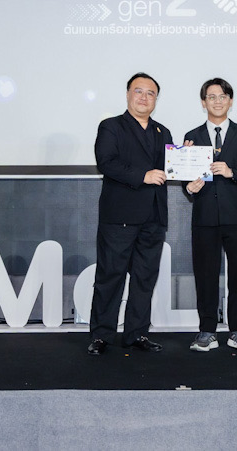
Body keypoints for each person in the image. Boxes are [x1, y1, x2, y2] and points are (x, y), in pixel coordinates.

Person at [87, 73, 173, 355]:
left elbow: (170, 169)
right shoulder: (111, 126)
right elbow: (106, 162)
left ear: (156, 99)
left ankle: (137, 333)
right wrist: (142, 175)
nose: (144, 97)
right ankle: (101, 335)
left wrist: (185, 158)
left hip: (154, 217)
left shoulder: (163, 132)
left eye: (150, 93)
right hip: (119, 217)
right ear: (127, 95)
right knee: (110, 276)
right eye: (139, 91)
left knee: (144, 279)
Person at [183, 78, 237, 352]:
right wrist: (189, 186)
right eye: (211, 96)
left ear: (230, 101)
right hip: (204, 216)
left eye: (222, 96)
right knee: (205, 274)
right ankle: (207, 330)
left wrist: (232, 172)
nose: (217, 101)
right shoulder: (192, 137)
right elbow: (185, 175)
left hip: (236, 216)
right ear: (203, 102)